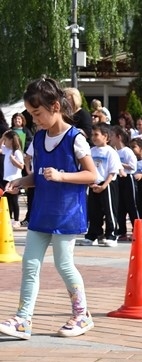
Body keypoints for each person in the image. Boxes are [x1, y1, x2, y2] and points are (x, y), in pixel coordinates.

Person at [0, 77, 100, 340]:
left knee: (64, 264)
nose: (35, 120)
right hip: (41, 213)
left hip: (66, 214)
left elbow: (92, 175)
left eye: (37, 113)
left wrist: (63, 176)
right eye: (31, 114)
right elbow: (39, 177)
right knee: (30, 264)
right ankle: (23, 320)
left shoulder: (75, 138)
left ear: (55, 106)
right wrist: (21, 181)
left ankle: (82, 315)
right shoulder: (39, 138)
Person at [79, 124, 121, 247]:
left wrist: (104, 185)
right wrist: (90, 183)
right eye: (92, 134)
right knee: (93, 211)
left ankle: (111, 235)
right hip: (93, 183)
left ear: (105, 136)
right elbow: (86, 167)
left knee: (109, 211)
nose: (93, 137)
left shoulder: (111, 152)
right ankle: (93, 235)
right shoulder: (91, 151)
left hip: (107, 184)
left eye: (96, 134)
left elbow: (113, 171)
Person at [109, 126, 137, 241]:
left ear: (118, 137)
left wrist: (120, 163)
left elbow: (133, 167)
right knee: (119, 206)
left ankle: (137, 230)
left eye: (112, 136)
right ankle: (122, 231)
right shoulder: (113, 151)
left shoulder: (127, 151)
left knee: (131, 205)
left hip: (127, 178)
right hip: (118, 179)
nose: (110, 138)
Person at [0, 131, 24, 227]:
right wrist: (2, 137)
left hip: (15, 179)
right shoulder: (6, 150)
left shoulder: (16, 152)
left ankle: (17, 220)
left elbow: (21, 166)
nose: (4, 142)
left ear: (11, 141)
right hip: (6, 178)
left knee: (14, 200)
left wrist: (13, 160)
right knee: (7, 200)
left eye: (6, 140)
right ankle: (9, 218)